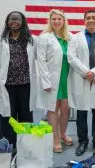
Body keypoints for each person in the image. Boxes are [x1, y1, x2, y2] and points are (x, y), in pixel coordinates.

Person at [67, 10, 95, 156]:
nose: (91, 20)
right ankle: (82, 141)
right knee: (81, 113)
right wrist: (86, 72)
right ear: (84, 21)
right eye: (88, 18)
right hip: (82, 79)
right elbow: (71, 57)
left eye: (94, 18)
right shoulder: (76, 38)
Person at [0, 11, 37, 148]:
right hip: (7, 85)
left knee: (26, 117)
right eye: (12, 19)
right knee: (7, 117)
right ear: (7, 21)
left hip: (26, 85)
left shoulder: (31, 39)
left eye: (17, 19)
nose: (14, 22)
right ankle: (7, 146)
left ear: (23, 22)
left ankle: (26, 146)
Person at [37, 9, 74, 153]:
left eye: (59, 19)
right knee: (53, 108)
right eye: (54, 19)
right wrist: (45, 82)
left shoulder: (69, 37)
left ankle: (63, 133)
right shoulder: (45, 37)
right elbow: (41, 61)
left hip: (67, 78)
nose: (57, 21)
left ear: (64, 21)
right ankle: (55, 139)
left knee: (66, 109)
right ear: (50, 21)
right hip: (53, 79)